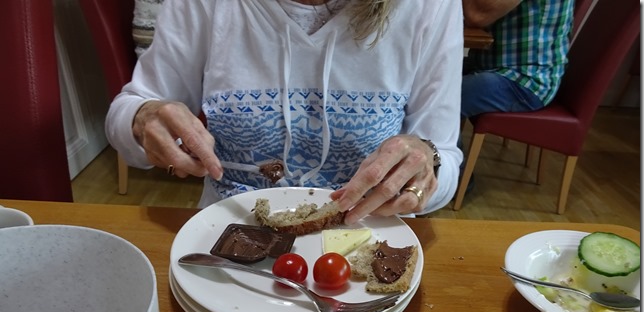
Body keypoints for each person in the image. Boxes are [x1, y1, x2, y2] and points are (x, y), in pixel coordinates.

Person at [106, 0, 464, 224]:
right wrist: (143, 118)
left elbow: (444, 159)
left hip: (364, 234)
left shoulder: (429, 6)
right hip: (227, 226)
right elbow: (128, 114)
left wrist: (424, 169)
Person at [461, 0, 575, 119]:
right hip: (489, 65)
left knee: (448, 93)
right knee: (446, 70)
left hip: (525, 80)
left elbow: (477, 15)